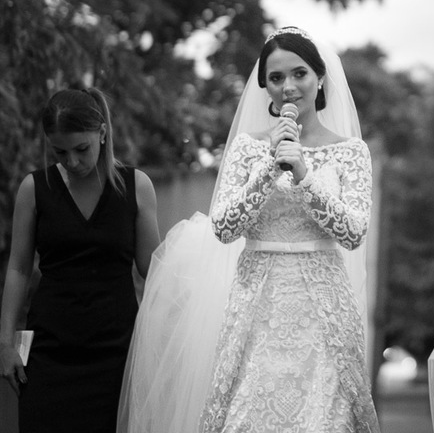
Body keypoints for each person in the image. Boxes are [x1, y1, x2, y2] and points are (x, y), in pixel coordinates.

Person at [119, 26, 379, 433]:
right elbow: (224, 227)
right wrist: (267, 169)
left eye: (299, 74)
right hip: (257, 300)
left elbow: (353, 231)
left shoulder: (350, 151)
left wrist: (305, 176)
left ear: (320, 78)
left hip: (324, 305)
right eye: (275, 78)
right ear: (265, 87)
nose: (288, 87)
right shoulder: (246, 147)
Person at [0, 88, 160, 433]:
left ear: (102, 133)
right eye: (59, 151)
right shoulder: (33, 189)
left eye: (81, 149)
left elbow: (153, 268)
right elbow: (18, 268)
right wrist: (6, 342)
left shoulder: (137, 186)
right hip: (50, 353)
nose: (71, 161)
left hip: (118, 352)